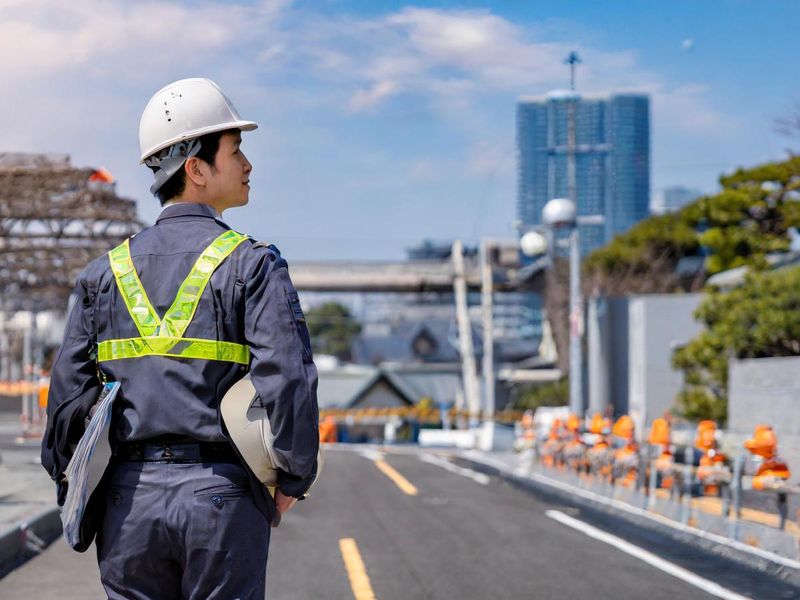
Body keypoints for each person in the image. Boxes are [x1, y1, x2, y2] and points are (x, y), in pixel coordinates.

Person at [41, 78, 319, 599]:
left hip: (127, 505)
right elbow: (289, 379)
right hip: (222, 499)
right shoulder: (253, 265)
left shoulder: (104, 274)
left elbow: (66, 398)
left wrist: (70, 482)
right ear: (196, 168)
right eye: (236, 152)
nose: (248, 165)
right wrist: (293, 480)